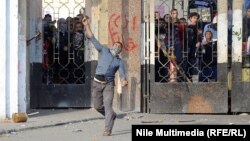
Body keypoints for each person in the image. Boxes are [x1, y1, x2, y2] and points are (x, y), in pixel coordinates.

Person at [82, 17, 128, 136]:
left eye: (119, 46)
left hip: (108, 85)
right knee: (97, 106)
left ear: (120, 50)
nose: (117, 46)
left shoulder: (119, 61)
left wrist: (123, 81)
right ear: (112, 45)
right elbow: (92, 38)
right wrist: (86, 25)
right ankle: (111, 115)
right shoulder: (104, 50)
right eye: (116, 44)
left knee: (108, 106)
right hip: (97, 83)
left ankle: (107, 129)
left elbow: (123, 74)